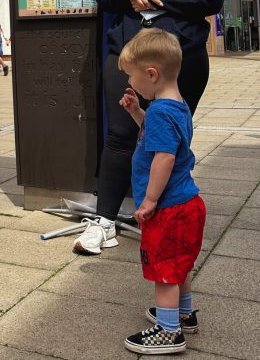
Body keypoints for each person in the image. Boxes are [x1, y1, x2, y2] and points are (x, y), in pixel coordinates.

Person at [74, 0, 223, 255]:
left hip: (180, 60)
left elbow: (211, 0)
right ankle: (105, 221)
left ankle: (170, 214)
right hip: (127, 59)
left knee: (169, 138)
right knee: (121, 137)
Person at [118, 29, 205, 355]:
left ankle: (169, 332)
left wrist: (150, 200)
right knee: (179, 266)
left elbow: (164, 157)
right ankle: (183, 313)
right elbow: (166, 139)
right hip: (188, 204)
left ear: (151, 74)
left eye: (132, 75)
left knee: (165, 271)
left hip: (168, 208)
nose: (130, 81)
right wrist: (137, 113)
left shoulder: (160, 113)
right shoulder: (176, 106)